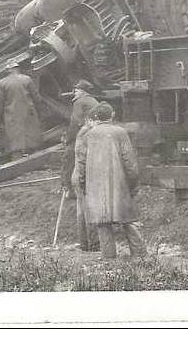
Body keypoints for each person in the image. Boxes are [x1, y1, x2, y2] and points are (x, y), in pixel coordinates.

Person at [75, 102, 146, 259]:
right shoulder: (120, 133)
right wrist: (133, 184)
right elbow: (130, 162)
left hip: (95, 187)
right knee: (129, 221)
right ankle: (140, 256)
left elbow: (81, 163)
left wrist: (82, 184)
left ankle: (109, 261)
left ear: (96, 117)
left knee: (103, 223)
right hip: (120, 185)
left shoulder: (88, 135)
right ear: (112, 115)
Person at [61, 79, 100, 198]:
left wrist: (68, 139)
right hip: (96, 134)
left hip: (84, 134)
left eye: (76, 90)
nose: (74, 93)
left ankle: (69, 189)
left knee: (69, 158)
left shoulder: (79, 101)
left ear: (83, 92)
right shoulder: (93, 100)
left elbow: (76, 122)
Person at [0, 64, 43, 161]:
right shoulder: (27, 79)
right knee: (31, 134)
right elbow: (36, 97)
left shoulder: (3, 82)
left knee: (15, 137)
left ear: (9, 70)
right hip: (28, 111)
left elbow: (0, 102)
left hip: (11, 113)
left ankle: (17, 159)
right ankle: (36, 159)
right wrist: (39, 111)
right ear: (18, 68)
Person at [70, 117, 100, 252]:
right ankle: (94, 245)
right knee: (89, 212)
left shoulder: (85, 133)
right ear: (89, 120)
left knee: (82, 212)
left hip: (79, 176)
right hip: (83, 177)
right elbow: (82, 160)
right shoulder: (85, 134)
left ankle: (84, 244)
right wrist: (83, 181)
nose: (98, 124)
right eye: (96, 121)